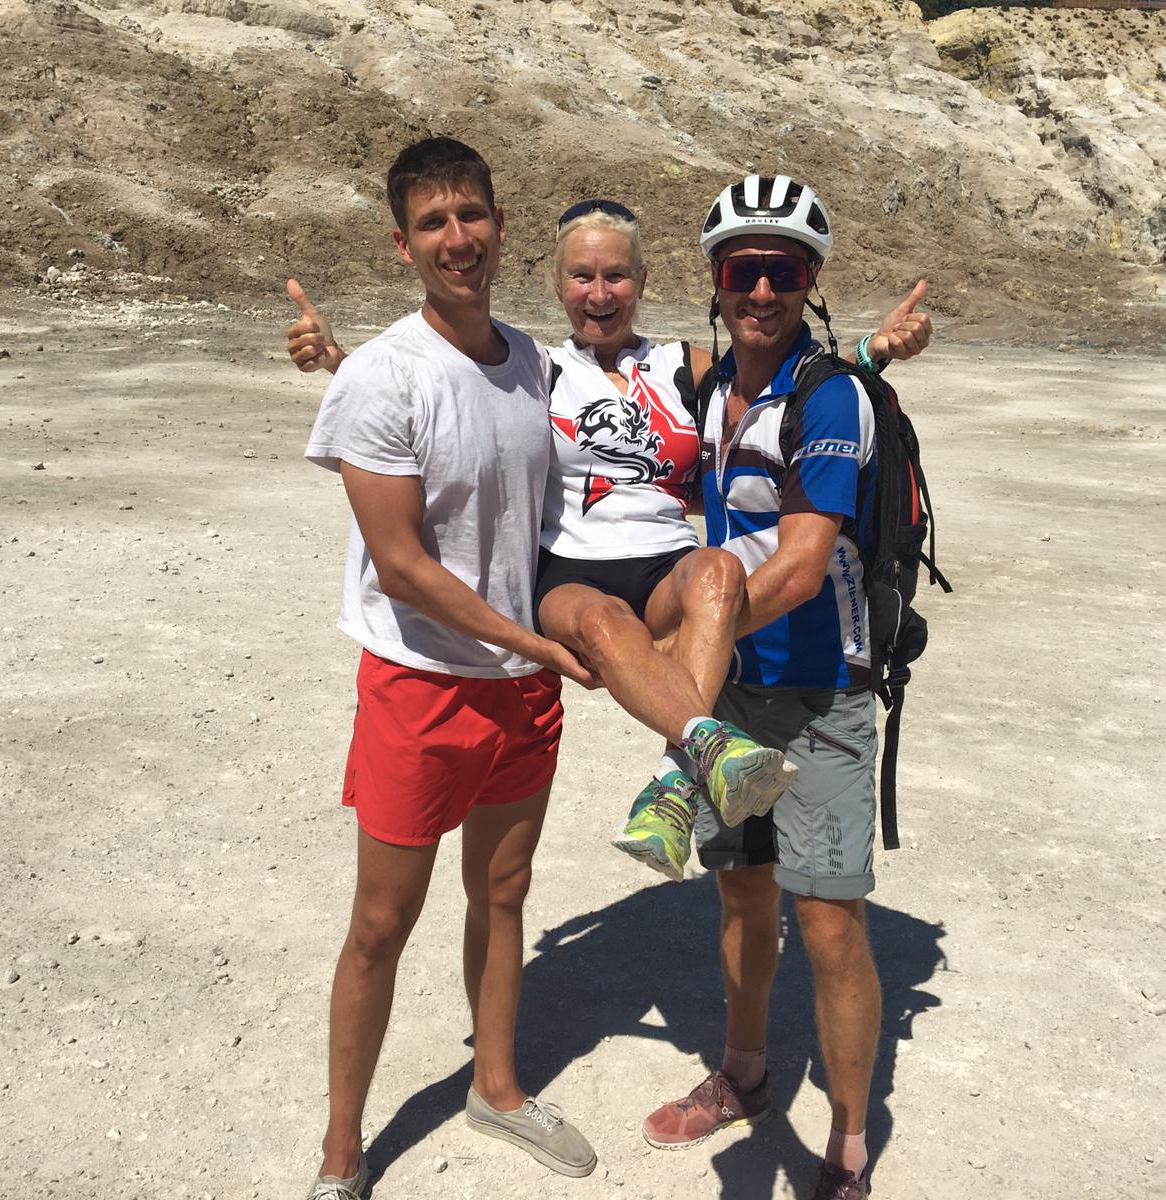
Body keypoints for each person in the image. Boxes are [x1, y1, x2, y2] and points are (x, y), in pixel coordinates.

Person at [287, 202, 932, 882]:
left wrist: (870, 354)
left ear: (642, 282)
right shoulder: (536, 368)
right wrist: (341, 363)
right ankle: (702, 754)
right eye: (582, 276)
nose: (600, 294)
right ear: (557, 284)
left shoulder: (683, 366)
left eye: (617, 276)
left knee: (719, 571)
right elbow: (445, 397)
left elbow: (775, 381)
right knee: (603, 621)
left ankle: (675, 782)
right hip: (570, 569)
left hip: (664, 563)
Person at [299, 136, 598, 1200]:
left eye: (471, 215)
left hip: (521, 690)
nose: (457, 238)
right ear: (403, 244)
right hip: (422, 686)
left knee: (504, 891)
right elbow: (403, 565)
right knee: (381, 923)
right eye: (433, 222)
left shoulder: (534, 364)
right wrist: (534, 643)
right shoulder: (380, 375)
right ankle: (343, 1151)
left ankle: (497, 1087)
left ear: (501, 225)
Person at [637, 174, 899, 1200]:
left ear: (809, 280)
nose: (760, 290)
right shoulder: (709, 391)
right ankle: (743, 1074)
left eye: (781, 272)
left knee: (828, 923)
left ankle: (847, 1145)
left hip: (821, 697)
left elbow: (795, 569)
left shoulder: (830, 399)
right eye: (743, 269)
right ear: (714, 277)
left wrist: (679, 634)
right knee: (743, 895)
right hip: (732, 694)